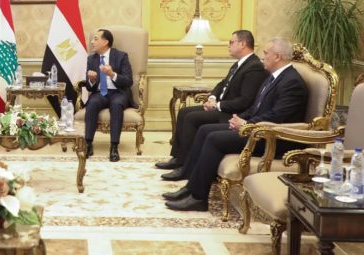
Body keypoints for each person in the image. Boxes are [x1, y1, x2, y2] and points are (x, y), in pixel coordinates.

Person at [164, 37, 308, 211]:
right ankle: (190, 188)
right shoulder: (274, 76)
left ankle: (198, 199)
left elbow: (277, 116)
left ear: (277, 56)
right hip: (256, 129)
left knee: (214, 138)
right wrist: (238, 118)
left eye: (266, 53)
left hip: (272, 138)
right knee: (204, 130)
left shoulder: (291, 82)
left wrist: (246, 123)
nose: (262, 57)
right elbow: (256, 107)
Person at [157, 30, 269, 180]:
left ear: (242, 44)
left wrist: (217, 106)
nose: (228, 45)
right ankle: (178, 158)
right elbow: (223, 83)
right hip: (222, 107)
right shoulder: (240, 63)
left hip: (232, 113)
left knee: (191, 118)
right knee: (184, 112)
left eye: (231, 42)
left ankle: (185, 166)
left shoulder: (254, 67)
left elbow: (245, 101)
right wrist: (212, 97)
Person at [83, 29, 135, 162]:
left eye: (95, 39)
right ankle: (88, 144)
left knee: (117, 105)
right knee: (92, 104)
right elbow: (89, 87)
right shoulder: (91, 59)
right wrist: (92, 80)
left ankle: (114, 147)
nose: (92, 42)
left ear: (105, 42)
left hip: (118, 92)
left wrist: (112, 74)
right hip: (100, 93)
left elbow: (129, 81)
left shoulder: (121, 56)